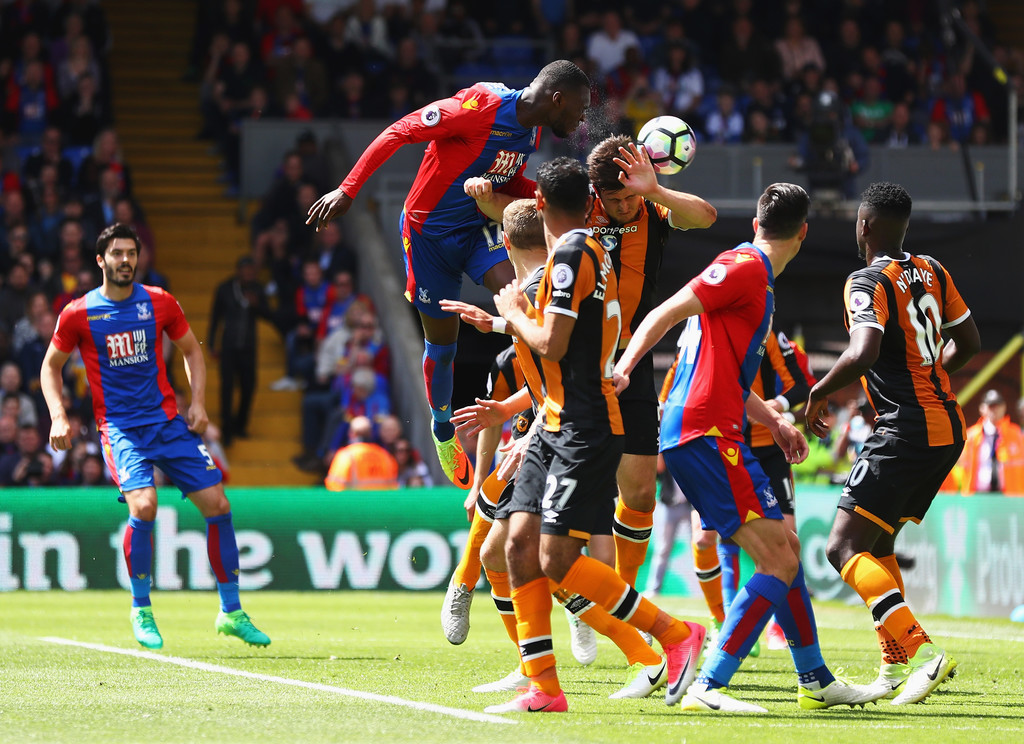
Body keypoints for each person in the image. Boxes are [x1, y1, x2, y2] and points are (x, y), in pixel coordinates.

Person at [616, 183, 884, 713]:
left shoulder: (754, 280)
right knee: (777, 560)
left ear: (757, 221)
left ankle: (815, 678)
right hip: (705, 433)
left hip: (716, 426)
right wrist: (625, 367)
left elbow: (731, 380)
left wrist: (776, 423)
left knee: (782, 550)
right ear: (803, 233)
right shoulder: (743, 266)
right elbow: (664, 312)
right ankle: (709, 684)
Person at [472, 158, 705, 713]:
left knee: (555, 558)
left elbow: (550, 342)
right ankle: (545, 689)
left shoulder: (576, 251)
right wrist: (506, 323)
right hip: (552, 421)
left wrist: (510, 310)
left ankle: (674, 635)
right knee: (513, 546)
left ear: (543, 205)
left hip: (583, 424)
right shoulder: (583, 249)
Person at [305, 60, 592, 490]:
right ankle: (443, 430)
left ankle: (544, 405)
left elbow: (506, 179)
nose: (582, 118)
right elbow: (399, 131)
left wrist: (557, 201)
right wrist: (348, 189)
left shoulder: (532, 131)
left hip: (478, 230)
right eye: (580, 109)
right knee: (442, 347)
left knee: (521, 298)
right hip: (428, 239)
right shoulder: (480, 106)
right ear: (557, 99)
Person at [39, 223, 271, 650]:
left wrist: (197, 402)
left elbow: (192, 351)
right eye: (117, 254)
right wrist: (58, 415)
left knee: (219, 505)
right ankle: (141, 609)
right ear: (100, 260)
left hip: (166, 423)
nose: (125, 260)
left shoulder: (159, 302)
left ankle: (231, 612)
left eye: (131, 253)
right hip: (120, 428)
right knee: (144, 506)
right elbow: (50, 366)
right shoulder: (78, 313)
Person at [806, 182, 980, 705]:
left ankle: (922, 653)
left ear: (864, 225)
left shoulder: (866, 279)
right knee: (879, 545)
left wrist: (818, 391)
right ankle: (893, 667)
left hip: (905, 428)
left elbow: (863, 351)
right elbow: (968, 341)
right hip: (945, 426)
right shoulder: (933, 269)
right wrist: (930, 375)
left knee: (841, 547)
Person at [208, 256, 271, 447]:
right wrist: (212, 343)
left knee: (249, 387)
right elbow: (215, 318)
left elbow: (268, 314)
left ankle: (240, 425)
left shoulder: (258, 289)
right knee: (226, 389)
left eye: (252, 270)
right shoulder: (225, 288)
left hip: (249, 348)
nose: (249, 274)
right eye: (246, 270)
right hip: (228, 347)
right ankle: (226, 429)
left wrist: (257, 305)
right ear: (239, 271)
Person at [956, 389, 1024, 495]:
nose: (994, 410)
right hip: (977, 495)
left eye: (998, 405)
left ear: (1004, 407)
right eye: (991, 406)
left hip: (1009, 496)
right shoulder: (971, 436)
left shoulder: (1017, 435)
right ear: (982, 408)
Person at [325, 414, 399, 491]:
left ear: (351, 434)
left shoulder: (346, 455)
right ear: (371, 434)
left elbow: (333, 485)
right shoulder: (385, 456)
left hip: (354, 502)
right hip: (381, 502)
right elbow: (393, 486)